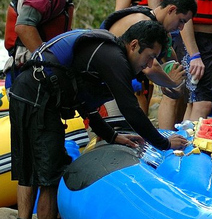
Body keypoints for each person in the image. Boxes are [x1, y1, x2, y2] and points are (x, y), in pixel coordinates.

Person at [9, 20, 188, 219]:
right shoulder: (113, 58)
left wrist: (111, 135)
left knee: (30, 173)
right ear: (134, 45)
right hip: (37, 100)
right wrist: (164, 143)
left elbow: (85, 104)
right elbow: (131, 110)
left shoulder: (105, 52)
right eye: (149, 57)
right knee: (48, 178)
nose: (148, 65)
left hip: (25, 93)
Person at [2, 0, 96, 219]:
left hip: (21, 88)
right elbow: (24, 26)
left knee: (27, 171)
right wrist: (50, 66)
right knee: (50, 176)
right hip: (37, 92)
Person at [101, 0, 197, 129]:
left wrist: (176, 84)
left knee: (134, 135)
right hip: (105, 85)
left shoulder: (162, 33)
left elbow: (172, 64)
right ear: (171, 9)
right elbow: (150, 68)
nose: (181, 27)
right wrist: (171, 83)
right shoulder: (143, 21)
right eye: (181, 21)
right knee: (117, 136)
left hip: (121, 84)